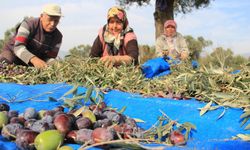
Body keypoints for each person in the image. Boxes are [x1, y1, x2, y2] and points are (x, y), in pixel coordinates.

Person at [0, 3, 63, 69]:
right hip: (13, 54)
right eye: (49, 19)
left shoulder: (58, 37)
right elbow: (18, 47)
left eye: (56, 21)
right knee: (5, 62)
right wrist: (34, 59)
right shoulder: (28, 24)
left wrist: (55, 64)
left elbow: (50, 57)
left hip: (33, 62)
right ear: (41, 16)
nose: (52, 24)